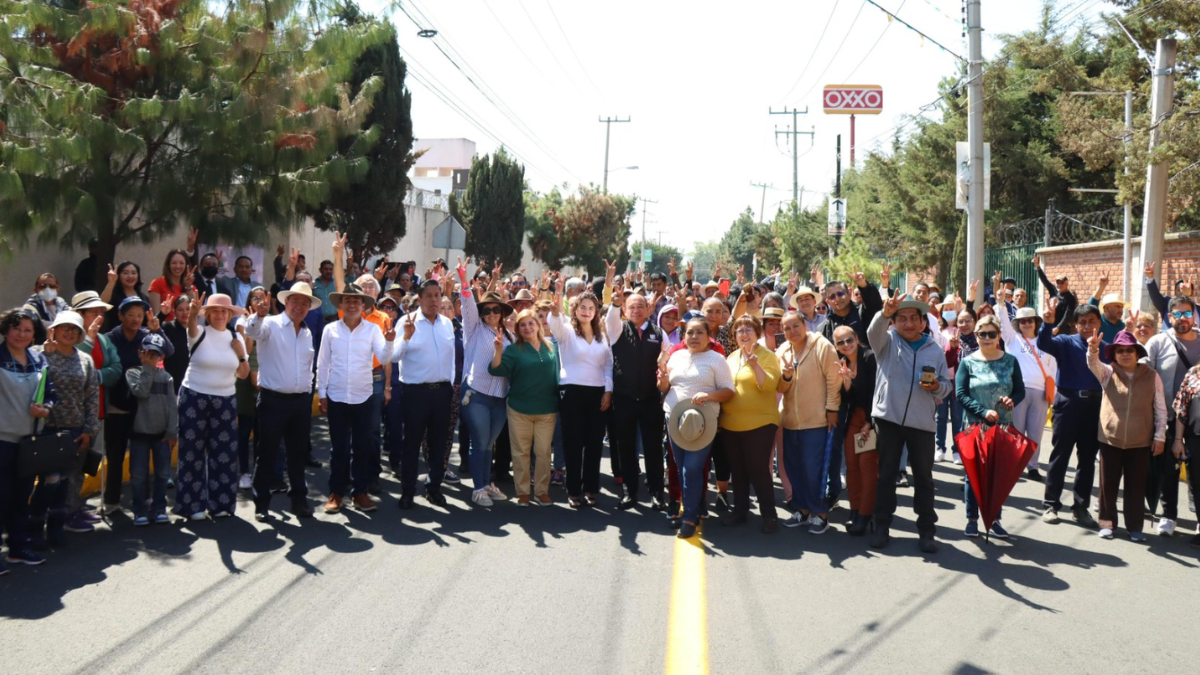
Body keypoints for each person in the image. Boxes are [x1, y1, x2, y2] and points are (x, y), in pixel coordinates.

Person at [867, 294, 952, 553]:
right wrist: (883, 313)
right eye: (901, 318)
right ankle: (881, 526)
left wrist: (937, 386)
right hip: (888, 418)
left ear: (923, 322)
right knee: (886, 476)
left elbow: (946, 387)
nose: (908, 323)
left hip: (922, 423)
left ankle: (927, 531)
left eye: (914, 318)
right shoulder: (887, 341)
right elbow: (872, 331)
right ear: (893, 322)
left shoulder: (935, 348)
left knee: (924, 479)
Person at [243, 282, 321, 520]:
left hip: (300, 403)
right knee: (266, 453)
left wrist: (309, 390)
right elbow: (251, 331)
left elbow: (307, 367)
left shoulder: (307, 332)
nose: (299, 306)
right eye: (295, 301)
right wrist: (259, 315)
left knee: (297, 455)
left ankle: (299, 501)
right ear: (285, 302)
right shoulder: (270, 324)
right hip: (272, 401)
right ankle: (262, 504)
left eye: (304, 303)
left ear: (309, 307)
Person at [317, 282, 395, 514]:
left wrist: (390, 340)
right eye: (347, 301)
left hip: (363, 396)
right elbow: (323, 364)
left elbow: (382, 356)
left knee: (362, 446)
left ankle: (360, 492)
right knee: (339, 448)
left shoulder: (372, 330)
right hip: (337, 396)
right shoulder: (330, 330)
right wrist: (322, 394)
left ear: (363, 305)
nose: (352, 304)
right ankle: (336, 493)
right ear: (341, 305)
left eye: (356, 301)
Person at [174, 293, 250, 520]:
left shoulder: (236, 337)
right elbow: (190, 327)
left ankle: (221, 504)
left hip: (225, 400)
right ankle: (192, 505)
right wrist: (193, 311)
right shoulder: (199, 333)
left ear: (229, 315)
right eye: (215, 310)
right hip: (194, 397)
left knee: (224, 454)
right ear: (207, 314)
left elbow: (244, 374)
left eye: (224, 311)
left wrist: (241, 354)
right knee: (192, 452)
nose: (219, 314)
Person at [1087, 330, 1166, 542]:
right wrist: (1093, 349)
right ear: (1114, 354)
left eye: (1129, 350)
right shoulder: (1108, 372)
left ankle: (1135, 527)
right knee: (1108, 485)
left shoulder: (1151, 375)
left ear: (1137, 353)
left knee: (1136, 486)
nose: (1125, 354)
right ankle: (1106, 523)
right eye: (1120, 351)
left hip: (1140, 441)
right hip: (1110, 438)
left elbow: (1160, 408)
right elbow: (1093, 364)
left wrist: (1160, 437)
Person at [659, 318, 735, 539]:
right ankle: (689, 508)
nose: (693, 337)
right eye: (689, 333)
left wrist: (709, 395)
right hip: (674, 419)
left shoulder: (717, 359)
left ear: (708, 335)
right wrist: (663, 379)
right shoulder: (676, 355)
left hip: (703, 422)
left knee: (692, 469)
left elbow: (729, 391)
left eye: (699, 332)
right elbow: (664, 387)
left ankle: (690, 517)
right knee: (681, 466)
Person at [29, 311, 99, 549]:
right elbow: (35, 383)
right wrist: (47, 357)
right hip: (43, 430)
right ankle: (35, 529)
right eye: (64, 327)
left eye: (74, 329)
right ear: (54, 330)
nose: (68, 332)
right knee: (47, 482)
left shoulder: (85, 360)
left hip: (75, 431)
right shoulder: (39, 354)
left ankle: (56, 527)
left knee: (64, 483)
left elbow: (91, 397)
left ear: (80, 334)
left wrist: (90, 429)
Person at [101, 296, 174, 515]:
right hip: (119, 406)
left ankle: (146, 501)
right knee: (115, 456)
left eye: (139, 315)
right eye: (130, 315)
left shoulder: (146, 334)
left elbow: (168, 351)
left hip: (145, 407)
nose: (135, 319)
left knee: (143, 456)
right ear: (120, 316)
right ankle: (112, 501)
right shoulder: (110, 338)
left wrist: (157, 330)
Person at [956, 314, 1025, 538]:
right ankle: (972, 520)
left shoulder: (1011, 360)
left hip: (1003, 426)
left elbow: (1020, 390)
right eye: (982, 333)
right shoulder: (968, 362)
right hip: (975, 426)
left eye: (991, 334)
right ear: (976, 336)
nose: (986, 338)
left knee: (997, 475)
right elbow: (960, 394)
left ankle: (994, 519)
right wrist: (983, 411)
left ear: (999, 336)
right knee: (973, 475)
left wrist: (1011, 400)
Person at [1037, 303, 1106, 528]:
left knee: (1087, 459)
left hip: (1095, 404)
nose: (1087, 326)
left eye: (1092, 321)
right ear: (1075, 325)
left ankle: (1080, 507)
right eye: (1082, 322)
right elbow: (1044, 343)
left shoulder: (1105, 348)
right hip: (1068, 403)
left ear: (1099, 323)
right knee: (1060, 455)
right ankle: (1050, 505)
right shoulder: (1066, 342)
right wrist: (1047, 324)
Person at [606, 265, 668, 511]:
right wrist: (613, 303)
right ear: (625, 310)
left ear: (648, 309)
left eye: (640, 306)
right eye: (631, 307)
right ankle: (630, 493)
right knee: (626, 448)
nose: (636, 310)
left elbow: (665, 360)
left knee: (653, 449)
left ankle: (656, 493)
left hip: (651, 400)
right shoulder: (618, 328)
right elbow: (611, 319)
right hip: (624, 400)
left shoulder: (657, 332)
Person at [547, 279, 612, 509]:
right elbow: (554, 323)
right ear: (575, 309)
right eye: (582, 307)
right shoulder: (566, 331)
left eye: (591, 308)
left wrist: (608, 391)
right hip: (571, 391)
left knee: (594, 443)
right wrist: (555, 310)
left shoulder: (602, 336)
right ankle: (574, 490)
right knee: (573, 443)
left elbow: (608, 366)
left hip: (597, 393)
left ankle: (590, 488)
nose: (587, 311)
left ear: (596, 312)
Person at [0, 308, 56, 570]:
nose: (21, 334)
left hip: (28, 442)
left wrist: (45, 408)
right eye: (16, 328)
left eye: (27, 330)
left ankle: (18, 548)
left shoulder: (39, 360)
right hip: (2, 441)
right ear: (6, 330)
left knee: (22, 497)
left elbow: (50, 393)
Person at [394, 278, 457, 510]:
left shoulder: (446, 324)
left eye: (437, 295)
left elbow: (450, 359)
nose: (433, 300)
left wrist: (449, 384)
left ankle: (434, 488)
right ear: (419, 299)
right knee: (411, 444)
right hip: (415, 393)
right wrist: (407, 336)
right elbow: (392, 357)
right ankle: (408, 491)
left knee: (438, 444)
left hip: (442, 393)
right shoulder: (406, 322)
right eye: (428, 296)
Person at [776, 311, 841, 533]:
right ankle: (802, 510)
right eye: (786, 328)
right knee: (794, 469)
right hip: (791, 420)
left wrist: (832, 409)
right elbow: (780, 388)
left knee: (814, 470)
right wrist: (785, 375)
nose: (792, 331)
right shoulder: (783, 350)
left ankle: (820, 514)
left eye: (796, 326)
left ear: (805, 325)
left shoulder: (822, 345)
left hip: (817, 421)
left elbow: (834, 380)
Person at [456, 260, 515, 506]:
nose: (491, 314)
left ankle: (487, 483)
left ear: (502, 313)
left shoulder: (509, 336)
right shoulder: (474, 328)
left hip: (499, 398)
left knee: (489, 444)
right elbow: (468, 304)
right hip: (475, 395)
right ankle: (478, 488)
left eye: (496, 310)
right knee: (479, 443)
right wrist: (463, 281)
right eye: (487, 310)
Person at [718, 315, 781, 533]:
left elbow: (770, 385)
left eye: (748, 330)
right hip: (731, 423)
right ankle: (740, 511)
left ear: (758, 333)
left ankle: (769, 515)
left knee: (757, 469)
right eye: (739, 331)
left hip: (761, 423)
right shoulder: (732, 357)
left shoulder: (767, 356)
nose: (744, 334)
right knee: (738, 470)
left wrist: (755, 365)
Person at [489, 309, 558, 507]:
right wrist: (499, 350)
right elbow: (495, 370)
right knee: (521, 452)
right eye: (522, 324)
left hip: (547, 409)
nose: (527, 327)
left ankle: (542, 491)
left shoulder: (551, 346)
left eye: (531, 323)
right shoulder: (513, 349)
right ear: (518, 329)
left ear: (538, 324)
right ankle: (523, 492)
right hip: (520, 408)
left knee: (544, 452)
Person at [1143, 296, 1199, 537]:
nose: (1183, 319)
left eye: (1187, 314)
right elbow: (1143, 371)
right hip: (1166, 415)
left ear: (1194, 315)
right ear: (1169, 317)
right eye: (1177, 314)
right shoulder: (1157, 342)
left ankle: (1198, 517)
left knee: (1197, 470)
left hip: (1197, 419)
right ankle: (1168, 515)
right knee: (1168, 467)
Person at [68, 292, 121, 532]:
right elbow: (76, 365)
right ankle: (66, 513)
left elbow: (116, 368)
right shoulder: (70, 338)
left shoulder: (105, 339)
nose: (99, 316)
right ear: (79, 315)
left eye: (101, 312)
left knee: (86, 463)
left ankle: (75, 507)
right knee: (71, 465)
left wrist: (97, 376)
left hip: (96, 409)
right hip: (72, 414)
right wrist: (87, 339)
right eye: (93, 312)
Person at [995, 279, 1057, 483]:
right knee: (1017, 431)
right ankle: (1015, 464)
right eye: (1023, 321)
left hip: (1040, 394)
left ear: (1036, 323)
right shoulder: (1012, 339)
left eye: (1030, 320)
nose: (1027, 324)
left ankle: (1033, 466)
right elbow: (1003, 323)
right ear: (1018, 324)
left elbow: (1053, 369)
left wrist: (1052, 395)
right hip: (1018, 393)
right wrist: (1001, 304)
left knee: (1036, 432)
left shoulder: (1046, 342)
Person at [125, 334, 178, 526]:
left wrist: (172, 432)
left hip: (162, 435)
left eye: (155, 354)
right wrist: (147, 369)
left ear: (161, 357)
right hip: (139, 434)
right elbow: (141, 391)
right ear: (140, 353)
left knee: (163, 473)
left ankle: (159, 507)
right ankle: (139, 509)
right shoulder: (133, 373)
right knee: (138, 474)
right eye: (147, 353)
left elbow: (173, 406)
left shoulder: (167, 378)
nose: (150, 357)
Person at [833, 325, 878, 535]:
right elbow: (848, 397)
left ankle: (865, 514)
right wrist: (847, 381)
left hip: (870, 419)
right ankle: (854, 509)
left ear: (856, 338)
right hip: (853, 418)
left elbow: (874, 391)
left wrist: (870, 421)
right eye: (840, 342)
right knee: (851, 465)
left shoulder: (869, 357)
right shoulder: (841, 361)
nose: (846, 345)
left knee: (866, 466)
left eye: (849, 340)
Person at [234, 288, 266, 491]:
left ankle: (261, 471)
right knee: (245, 429)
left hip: (266, 376)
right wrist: (253, 324)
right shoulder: (241, 319)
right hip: (245, 379)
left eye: (263, 297)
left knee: (262, 430)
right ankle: (244, 472)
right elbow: (247, 348)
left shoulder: (272, 320)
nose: (259, 300)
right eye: (255, 297)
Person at [942, 308, 979, 465]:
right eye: (961, 321)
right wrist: (952, 348)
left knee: (977, 428)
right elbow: (946, 364)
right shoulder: (955, 341)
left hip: (980, 392)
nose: (964, 324)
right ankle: (962, 455)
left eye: (968, 320)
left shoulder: (983, 339)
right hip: (962, 391)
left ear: (975, 322)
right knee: (961, 424)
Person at [1172, 362, 1200, 547]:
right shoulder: (1193, 374)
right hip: (1195, 438)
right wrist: (1178, 439)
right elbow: (1182, 408)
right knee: (1197, 484)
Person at [820, 269, 883, 346]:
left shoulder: (863, 313)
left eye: (840, 293)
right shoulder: (825, 327)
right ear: (828, 301)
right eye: (832, 296)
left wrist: (864, 286)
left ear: (849, 293)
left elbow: (875, 304)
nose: (837, 299)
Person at [147, 249, 195, 323]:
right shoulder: (157, 283)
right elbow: (155, 314)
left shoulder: (191, 287)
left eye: (181, 263)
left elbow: (195, 311)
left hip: (185, 330)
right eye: (174, 263)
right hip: (164, 329)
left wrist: (188, 287)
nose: (178, 266)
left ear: (186, 265)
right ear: (168, 265)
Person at [100, 262, 150, 331]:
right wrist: (111, 282)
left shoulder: (144, 298)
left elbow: (149, 321)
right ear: (118, 275)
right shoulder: (114, 294)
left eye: (133, 273)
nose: (130, 276)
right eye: (125, 273)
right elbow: (102, 304)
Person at [159, 295, 192, 393]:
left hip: (192, 384)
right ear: (174, 312)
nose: (185, 313)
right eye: (180, 310)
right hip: (172, 384)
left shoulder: (197, 331)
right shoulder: (168, 327)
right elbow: (153, 328)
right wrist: (162, 314)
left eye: (188, 309)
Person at [1088, 273, 1127, 342]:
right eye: (1117, 306)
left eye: (1122, 307)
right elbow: (1091, 306)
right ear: (1106, 308)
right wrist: (1101, 287)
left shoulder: (1123, 326)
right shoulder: (1098, 322)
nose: (1121, 310)